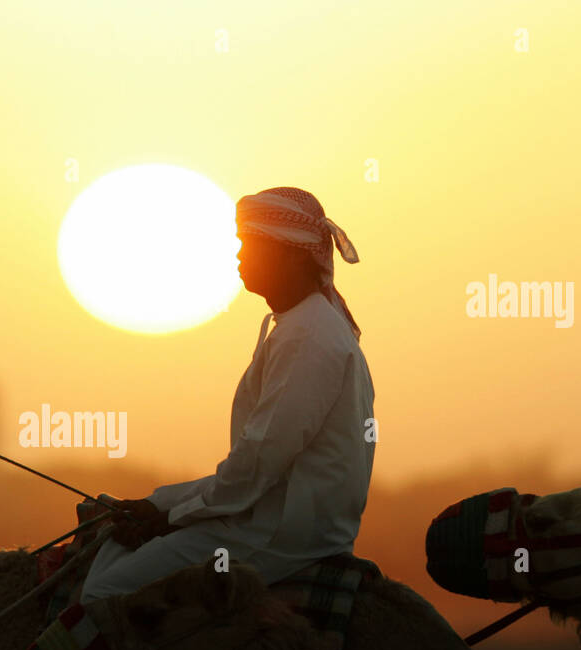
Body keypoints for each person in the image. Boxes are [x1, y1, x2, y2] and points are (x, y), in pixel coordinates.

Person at [80, 186, 376, 600]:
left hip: (279, 534)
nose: (239, 255)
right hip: (275, 521)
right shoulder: (301, 326)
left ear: (292, 253)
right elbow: (251, 467)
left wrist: (170, 517)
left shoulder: (308, 335)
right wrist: (158, 502)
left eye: (250, 243)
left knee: (105, 592)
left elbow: (258, 462)